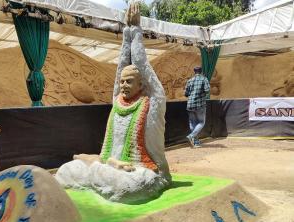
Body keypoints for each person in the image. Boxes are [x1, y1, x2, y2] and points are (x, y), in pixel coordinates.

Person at [55, 2, 171, 203]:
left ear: (141, 85)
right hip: (110, 166)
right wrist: (125, 36)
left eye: (129, 82)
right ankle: (99, 167)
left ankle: (97, 168)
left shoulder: (152, 103)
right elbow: (120, 69)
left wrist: (135, 32)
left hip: (142, 170)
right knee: (66, 171)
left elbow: (144, 68)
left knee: (129, 187)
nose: (123, 85)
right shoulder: (118, 101)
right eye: (122, 82)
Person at [184, 66, 210, 148]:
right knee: (201, 122)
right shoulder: (204, 79)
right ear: (201, 71)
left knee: (192, 123)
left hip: (190, 104)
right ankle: (191, 136)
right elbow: (207, 90)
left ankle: (195, 143)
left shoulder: (189, 80)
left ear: (194, 72)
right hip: (200, 104)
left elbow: (186, 94)